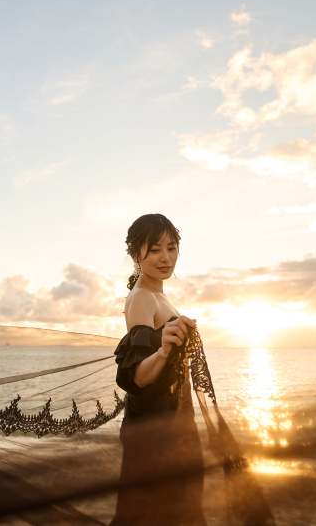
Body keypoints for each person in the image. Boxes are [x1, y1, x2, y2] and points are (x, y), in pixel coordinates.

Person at [111, 214, 207, 526]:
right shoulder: (142, 298)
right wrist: (165, 351)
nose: (166, 257)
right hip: (156, 431)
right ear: (134, 255)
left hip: (175, 425)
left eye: (171, 247)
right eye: (154, 250)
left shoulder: (158, 296)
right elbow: (137, 376)